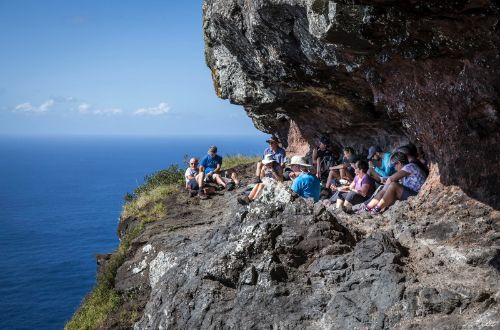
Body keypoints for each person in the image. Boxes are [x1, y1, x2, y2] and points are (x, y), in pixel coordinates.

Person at [362, 151, 427, 214]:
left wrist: (385, 189)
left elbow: (390, 179)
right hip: (414, 193)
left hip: (418, 195)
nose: (394, 168)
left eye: (394, 166)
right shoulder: (406, 170)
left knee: (393, 185)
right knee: (390, 186)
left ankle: (376, 209)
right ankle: (369, 207)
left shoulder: (409, 167)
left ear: (399, 163)